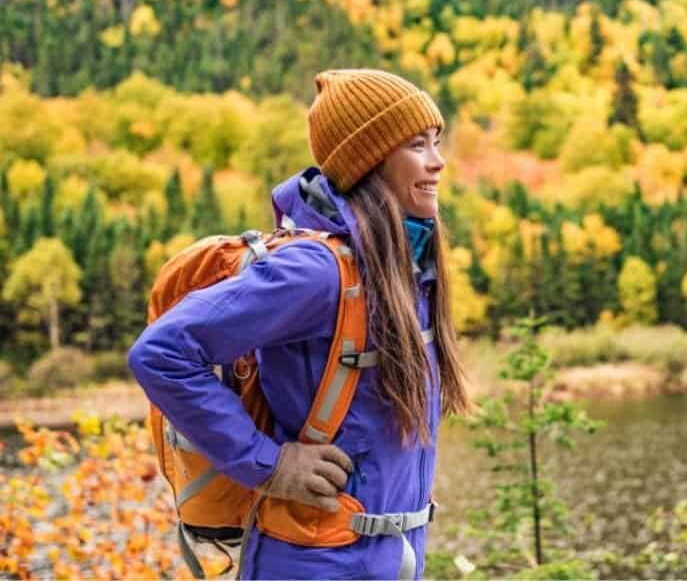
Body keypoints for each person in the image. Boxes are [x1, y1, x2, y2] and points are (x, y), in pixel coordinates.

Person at [128, 69, 472, 580]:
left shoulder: (404, 268)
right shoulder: (316, 272)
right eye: (417, 145)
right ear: (369, 161)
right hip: (314, 565)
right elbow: (161, 353)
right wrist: (268, 464)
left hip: (386, 562)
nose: (438, 161)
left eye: (436, 142)